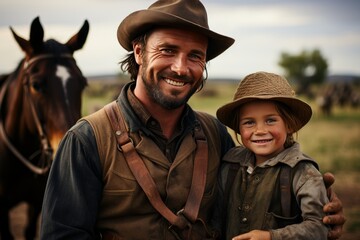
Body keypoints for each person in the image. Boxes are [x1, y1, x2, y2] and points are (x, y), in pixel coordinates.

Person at [40, 1, 345, 239]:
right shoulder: (87, 139)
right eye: (168, 50)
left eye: (195, 56)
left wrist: (317, 209)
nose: (181, 67)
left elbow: (258, 196)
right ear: (139, 52)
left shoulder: (216, 135)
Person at [216, 71, 331, 240]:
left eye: (270, 120)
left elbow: (319, 228)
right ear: (239, 129)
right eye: (249, 122)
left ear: (289, 124)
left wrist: (272, 237)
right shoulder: (230, 163)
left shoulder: (303, 172)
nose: (260, 131)